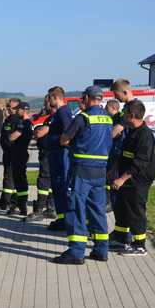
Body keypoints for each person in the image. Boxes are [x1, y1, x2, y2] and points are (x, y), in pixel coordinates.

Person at [53, 86, 113, 264]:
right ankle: (101, 249)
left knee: (76, 208)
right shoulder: (108, 118)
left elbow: (65, 139)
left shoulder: (83, 117)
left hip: (81, 170)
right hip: (100, 170)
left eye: (82, 98)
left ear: (87, 98)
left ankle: (76, 252)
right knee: (97, 209)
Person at [110, 100, 155, 255]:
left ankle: (140, 245)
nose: (123, 117)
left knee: (136, 211)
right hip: (127, 180)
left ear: (132, 115)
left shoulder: (145, 135)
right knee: (123, 209)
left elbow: (140, 162)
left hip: (138, 181)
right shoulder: (132, 132)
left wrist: (122, 179)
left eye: (126, 114)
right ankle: (121, 239)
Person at [45, 86, 73, 231]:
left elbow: (69, 132)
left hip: (61, 155)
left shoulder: (63, 112)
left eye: (49, 98)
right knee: (57, 188)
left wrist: (60, 142)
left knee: (62, 186)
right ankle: (61, 219)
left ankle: (66, 221)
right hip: (56, 154)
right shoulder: (59, 113)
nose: (48, 101)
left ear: (56, 97)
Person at [26, 96, 56, 222]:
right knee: (50, 181)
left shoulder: (53, 118)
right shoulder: (54, 117)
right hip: (49, 152)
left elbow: (39, 133)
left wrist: (36, 130)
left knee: (44, 180)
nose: (44, 106)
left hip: (49, 153)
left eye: (45, 103)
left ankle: (39, 209)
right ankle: (51, 207)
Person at [8, 102, 33, 216]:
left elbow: (12, 136)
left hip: (19, 153)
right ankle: (20, 205)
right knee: (20, 179)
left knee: (19, 179)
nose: (16, 111)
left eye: (18, 109)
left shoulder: (23, 123)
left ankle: (21, 206)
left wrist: (10, 136)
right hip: (21, 152)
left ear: (24, 110)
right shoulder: (29, 123)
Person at [0, 98, 21, 210]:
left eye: (9, 107)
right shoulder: (9, 119)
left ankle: (5, 202)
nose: (7, 108)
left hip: (13, 153)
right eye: (7, 106)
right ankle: (12, 201)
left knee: (9, 178)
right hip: (8, 152)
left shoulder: (17, 120)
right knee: (9, 177)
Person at [105, 99, 122, 212]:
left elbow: (116, 133)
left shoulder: (119, 118)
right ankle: (108, 200)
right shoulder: (113, 118)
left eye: (107, 108)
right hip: (112, 150)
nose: (106, 110)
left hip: (116, 151)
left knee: (112, 176)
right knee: (108, 176)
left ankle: (111, 202)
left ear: (113, 108)